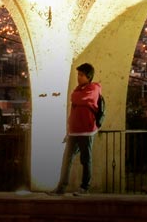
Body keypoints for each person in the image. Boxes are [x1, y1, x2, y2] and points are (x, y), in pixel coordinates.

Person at [51, 61, 102, 196]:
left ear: (88, 77)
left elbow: (78, 98)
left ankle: (85, 187)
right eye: (78, 74)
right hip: (74, 131)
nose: (78, 77)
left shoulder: (94, 89)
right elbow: (75, 104)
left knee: (86, 160)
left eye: (81, 75)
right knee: (67, 159)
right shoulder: (78, 90)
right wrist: (68, 130)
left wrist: (75, 97)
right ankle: (61, 188)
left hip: (86, 131)